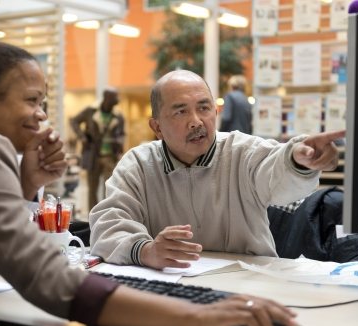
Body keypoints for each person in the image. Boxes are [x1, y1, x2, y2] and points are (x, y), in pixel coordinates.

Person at [0, 41, 299, 326]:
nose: (42, 115)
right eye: (32, 100)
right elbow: (44, 278)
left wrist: (26, 184)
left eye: (203, 108)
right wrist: (196, 316)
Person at [89, 69, 344, 270]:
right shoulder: (139, 165)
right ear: (156, 127)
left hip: (249, 283)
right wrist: (145, 251)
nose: (196, 122)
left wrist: (298, 161)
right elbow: (108, 223)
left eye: (204, 108)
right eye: (181, 111)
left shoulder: (242, 152)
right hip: (173, 285)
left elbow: (276, 172)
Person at [70, 88, 125, 210]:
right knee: (92, 189)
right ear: (107, 98)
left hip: (110, 157)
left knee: (110, 188)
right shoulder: (90, 111)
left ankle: (106, 215)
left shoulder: (118, 116)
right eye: (114, 97)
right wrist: (82, 137)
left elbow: (122, 134)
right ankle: (93, 215)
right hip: (93, 156)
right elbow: (74, 121)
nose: (117, 100)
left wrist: (119, 145)